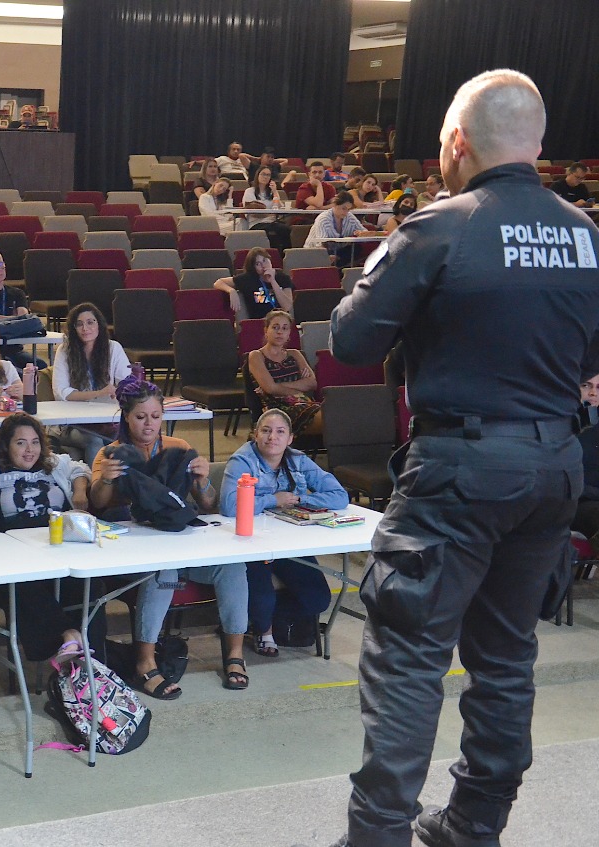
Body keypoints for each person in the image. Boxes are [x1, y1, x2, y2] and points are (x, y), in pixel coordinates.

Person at [327, 69, 599, 847]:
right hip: (552, 465)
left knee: (410, 657)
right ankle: (475, 825)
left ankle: (376, 835)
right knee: (508, 657)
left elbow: (350, 340)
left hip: (458, 467)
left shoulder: (440, 226)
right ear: (537, 145)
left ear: (455, 143)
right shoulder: (585, 234)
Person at [88, 376, 235, 698]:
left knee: (232, 566)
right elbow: (96, 504)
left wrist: (203, 479)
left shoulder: (178, 449)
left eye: (156, 416)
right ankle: (145, 662)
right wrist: (108, 481)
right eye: (141, 417)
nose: (149, 424)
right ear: (126, 416)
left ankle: (235, 657)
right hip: (134, 550)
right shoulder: (111, 454)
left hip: (180, 540)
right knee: (163, 570)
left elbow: (208, 506)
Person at [221, 409, 347, 655]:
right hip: (251, 542)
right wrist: (273, 500)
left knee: (318, 598)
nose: (272, 437)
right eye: (266, 431)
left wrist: (300, 498)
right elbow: (229, 506)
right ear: (255, 434)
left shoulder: (298, 460)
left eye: (280, 432)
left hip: (289, 542)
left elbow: (340, 496)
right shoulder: (243, 460)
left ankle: (263, 619)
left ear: (290, 438)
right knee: (262, 594)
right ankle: (262, 630)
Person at [0, 412, 96, 660]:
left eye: (35, 442)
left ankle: (88, 660)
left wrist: (80, 491)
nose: (29, 450)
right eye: (20, 443)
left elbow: (80, 468)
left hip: (57, 551)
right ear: (5, 445)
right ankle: (72, 640)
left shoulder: (53, 464)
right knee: (23, 585)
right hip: (12, 559)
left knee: (91, 585)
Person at [51, 302, 132, 463]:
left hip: (106, 420)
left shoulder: (113, 348)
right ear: (73, 329)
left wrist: (121, 390)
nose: (85, 328)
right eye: (79, 324)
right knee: (95, 441)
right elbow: (61, 393)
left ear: (99, 325)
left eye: (90, 322)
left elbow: (128, 383)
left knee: (124, 442)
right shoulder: (65, 350)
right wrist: (99, 393)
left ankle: (121, 487)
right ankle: (96, 486)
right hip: (73, 424)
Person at [247, 309, 321, 436]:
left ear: (289, 333)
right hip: (277, 410)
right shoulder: (256, 356)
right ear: (266, 330)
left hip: (304, 403)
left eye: (285, 328)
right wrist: (300, 385)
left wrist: (277, 385)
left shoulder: (295, 354)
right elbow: (270, 389)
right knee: (332, 419)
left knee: (334, 412)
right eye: (275, 327)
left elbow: (312, 383)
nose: (280, 331)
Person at [215, 247, 294, 319]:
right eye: (258, 264)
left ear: (269, 259)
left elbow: (287, 306)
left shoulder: (283, 278)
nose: (263, 265)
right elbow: (219, 282)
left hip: (281, 322)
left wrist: (273, 281)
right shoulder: (248, 279)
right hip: (259, 322)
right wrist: (231, 291)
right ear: (253, 267)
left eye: (264, 260)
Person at [305, 192, 373, 268]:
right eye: (343, 208)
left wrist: (360, 233)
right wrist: (326, 257)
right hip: (317, 251)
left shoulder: (349, 216)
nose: (346, 212)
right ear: (335, 205)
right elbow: (320, 244)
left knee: (357, 248)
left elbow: (365, 232)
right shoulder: (323, 219)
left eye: (348, 209)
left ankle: (341, 269)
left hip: (337, 250)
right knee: (331, 253)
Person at [574, 372, 599, 546]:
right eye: (586, 385)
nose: (593, 393)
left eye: (598, 387)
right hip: (576, 502)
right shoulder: (564, 426)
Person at [241, 165, 292, 250]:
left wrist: (275, 191)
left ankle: (285, 254)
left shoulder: (272, 192)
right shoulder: (250, 191)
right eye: (263, 174)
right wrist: (270, 213)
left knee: (286, 229)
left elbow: (279, 208)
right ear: (258, 175)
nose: (265, 177)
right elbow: (253, 211)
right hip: (256, 223)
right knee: (277, 231)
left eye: (268, 175)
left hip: (272, 222)